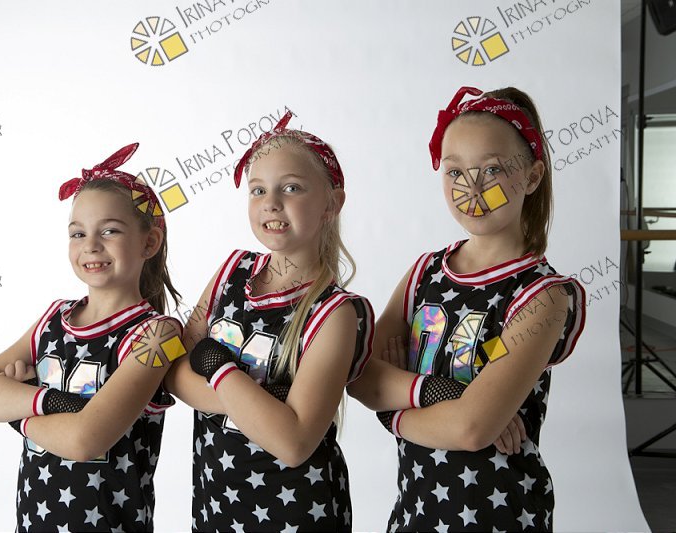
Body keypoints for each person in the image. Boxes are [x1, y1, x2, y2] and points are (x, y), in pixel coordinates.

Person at [348, 86, 586, 532]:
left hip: (501, 515)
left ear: (532, 176)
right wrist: (446, 395)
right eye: (455, 171)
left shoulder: (544, 296)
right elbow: (359, 375)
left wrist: (391, 410)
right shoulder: (424, 273)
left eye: (492, 169)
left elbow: (472, 429)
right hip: (415, 513)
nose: (471, 189)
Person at [166, 111, 374, 532]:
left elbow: (293, 442)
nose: (271, 202)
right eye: (258, 190)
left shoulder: (335, 312)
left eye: (291, 188)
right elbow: (172, 370)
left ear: (332, 204)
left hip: (297, 514)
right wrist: (264, 404)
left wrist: (213, 363)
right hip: (216, 510)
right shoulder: (231, 272)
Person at [0, 143, 184, 532]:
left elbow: (85, 440)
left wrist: (16, 411)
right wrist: (50, 402)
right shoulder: (53, 317)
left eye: (110, 230)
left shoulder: (160, 334)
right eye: (78, 233)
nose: (91, 245)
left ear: (149, 242)